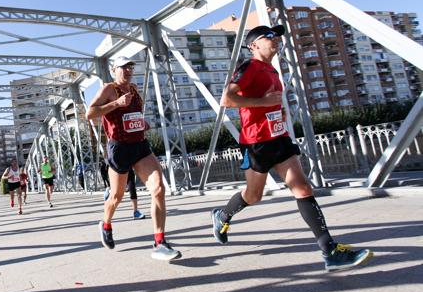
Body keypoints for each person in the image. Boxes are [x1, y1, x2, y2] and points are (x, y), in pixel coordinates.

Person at [211, 24, 373, 271]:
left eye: (277, 36)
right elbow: (227, 99)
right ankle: (222, 216)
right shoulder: (249, 67)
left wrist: (277, 110)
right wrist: (262, 102)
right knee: (253, 196)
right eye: (269, 36)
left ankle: (329, 251)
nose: (275, 39)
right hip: (257, 142)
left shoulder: (272, 70)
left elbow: (270, 102)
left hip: (280, 138)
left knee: (302, 187)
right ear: (254, 45)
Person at [87, 56, 181, 261]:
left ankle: (159, 242)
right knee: (116, 197)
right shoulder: (108, 90)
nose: (128, 70)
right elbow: (90, 113)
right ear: (114, 70)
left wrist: (142, 123)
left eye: (130, 67)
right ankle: (105, 224)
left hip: (140, 146)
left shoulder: (135, 89)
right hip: (119, 148)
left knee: (158, 188)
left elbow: (132, 116)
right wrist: (116, 103)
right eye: (123, 67)